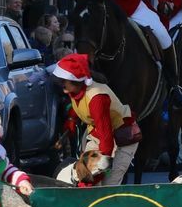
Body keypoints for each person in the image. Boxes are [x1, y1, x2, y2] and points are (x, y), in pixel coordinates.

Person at [50, 54, 140, 186]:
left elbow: (107, 140)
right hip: (99, 135)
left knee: (108, 185)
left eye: (64, 82)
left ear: (76, 80)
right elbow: (79, 105)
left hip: (122, 138)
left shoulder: (98, 99)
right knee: (85, 177)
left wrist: (97, 175)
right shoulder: (74, 90)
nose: (62, 86)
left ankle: (174, 85)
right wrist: (71, 119)